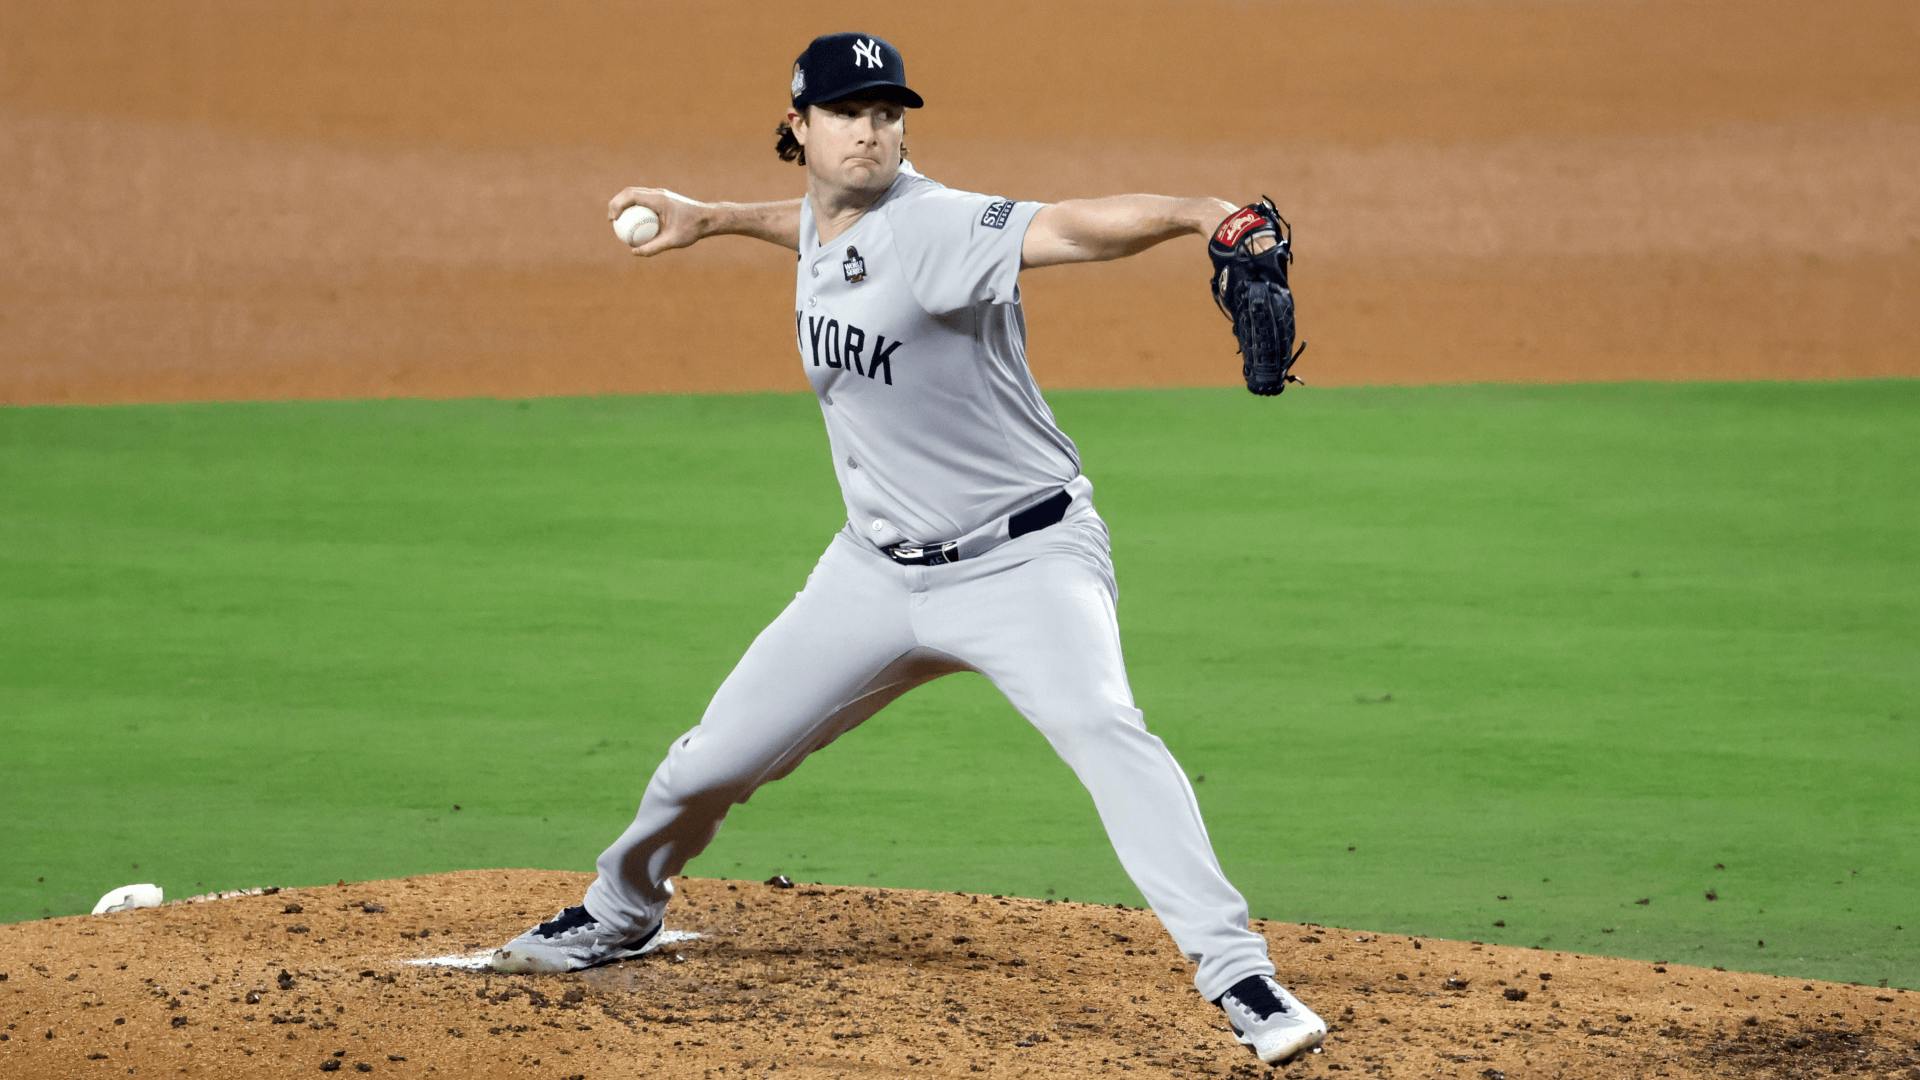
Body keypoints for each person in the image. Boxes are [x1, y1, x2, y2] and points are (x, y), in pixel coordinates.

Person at [490, 31, 1327, 1066]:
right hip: (873, 575)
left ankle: (1236, 973)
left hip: (1025, 562)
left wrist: (1204, 215)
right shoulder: (826, 216)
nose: (875, 131)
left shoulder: (940, 226)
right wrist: (709, 220)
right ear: (798, 128)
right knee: (709, 763)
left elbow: (1071, 228)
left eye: (889, 112)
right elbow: (815, 230)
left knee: (1106, 729)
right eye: (851, 112)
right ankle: (620, 910)